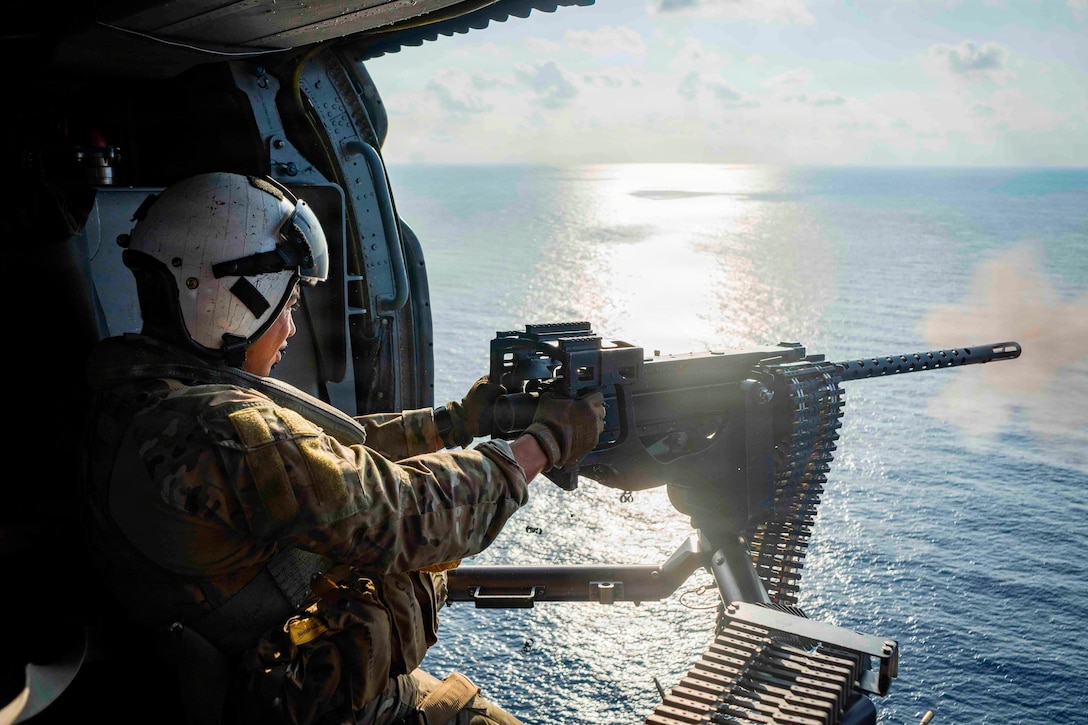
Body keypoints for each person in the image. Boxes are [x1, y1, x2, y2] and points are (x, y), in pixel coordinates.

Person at [79, 172, 606, 725]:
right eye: (286, 303)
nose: (289, 327)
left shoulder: (141, 393)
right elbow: (403, 513)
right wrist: (543, 446)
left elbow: (321, 459)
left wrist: (457, 422)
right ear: (229, 301)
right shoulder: (215, 429)